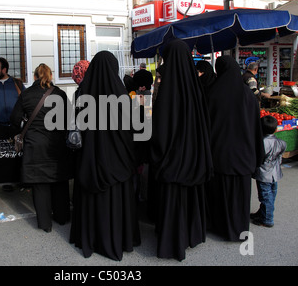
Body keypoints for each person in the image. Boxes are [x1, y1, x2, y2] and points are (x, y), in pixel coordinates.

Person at [69, 51, 141, 261]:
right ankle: (120, 238)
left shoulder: (83, 94)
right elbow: (131, 129)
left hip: (90, 161)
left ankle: (91, 238)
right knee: (117, 199)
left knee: (92, 199)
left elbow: (77, 127)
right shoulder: (121, 94)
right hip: (118, 161)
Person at [148, 39, 213, 261]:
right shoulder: (196, 90)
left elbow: (160, 130)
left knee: (172, 201)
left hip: (171, 162)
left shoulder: (167, 91)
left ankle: (172, 241)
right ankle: (192, 235)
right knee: (190, 197)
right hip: (193, 159)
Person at [205, 55, 265, 241]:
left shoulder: (212, 93)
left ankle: (219, 226)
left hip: (219, 154)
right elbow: (256, 126)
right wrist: (258, 154)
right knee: (240, 195)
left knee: (219, 194)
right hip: (244, 155)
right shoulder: (247, 94)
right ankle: (239, 229)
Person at [10, 63, 71, 233]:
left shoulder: (26, 94)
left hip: (35, 145)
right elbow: (70, 118)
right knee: (59, 182)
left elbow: (14, 119)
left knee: (40, 185)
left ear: (35, 76)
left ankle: (45, 224)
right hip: (57, 144)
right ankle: (62, 217)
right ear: (50, 76)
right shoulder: (59, 94)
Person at [252, 115, 286, 228]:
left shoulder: (262, 143)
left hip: (264, 174)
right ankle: (262, 213)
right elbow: (280, 157)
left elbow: (259, 158)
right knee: (271, 194)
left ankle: (267, 219)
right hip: (275, 173)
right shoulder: (281, 142)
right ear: (276, 129)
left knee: (265, 196)